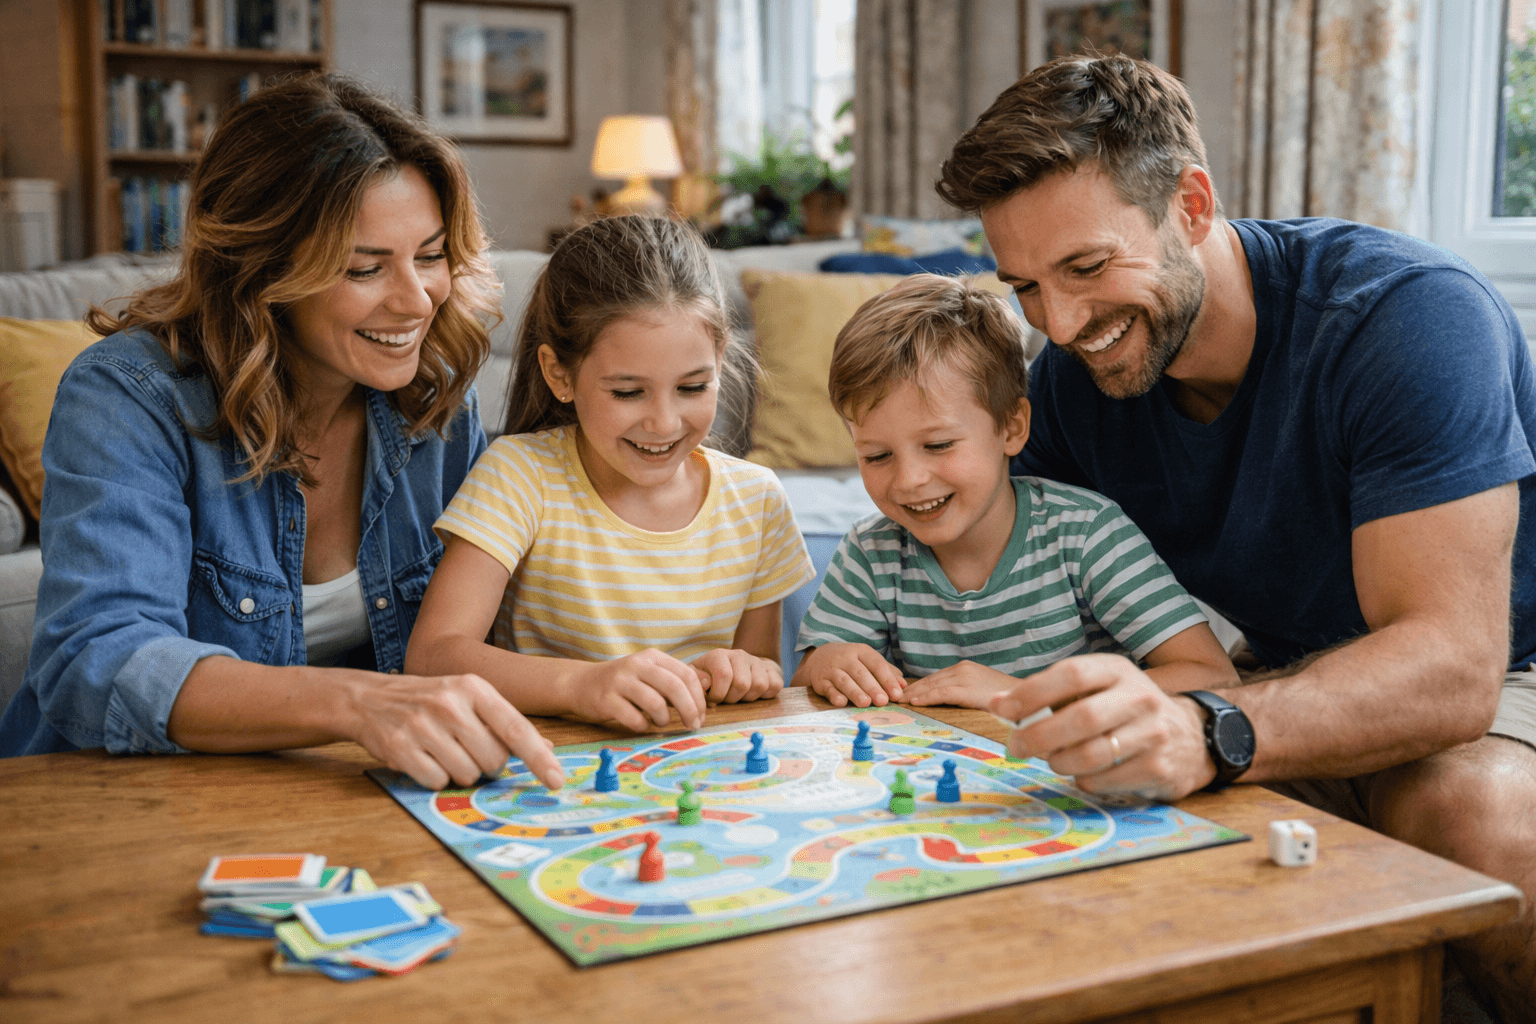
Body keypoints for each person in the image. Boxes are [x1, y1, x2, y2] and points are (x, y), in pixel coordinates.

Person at [938, 54, 1536, 1020]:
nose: (1064, 321)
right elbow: (999, 566)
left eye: (1088, 268)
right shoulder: (1071, 387)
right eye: (1027, 289)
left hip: (1507, 674)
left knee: (1466, 808)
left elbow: (1453, 667)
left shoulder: (1406, 317)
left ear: (1194, 204)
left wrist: (1210, 726)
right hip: (1293, 669)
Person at [0, 73, 565, 795]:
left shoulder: (436, 402)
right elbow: (96, 660)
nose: (416, 298)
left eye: (429, 256)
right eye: (365, 267)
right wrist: (360, 705)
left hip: (331, 795)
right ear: (263, 270)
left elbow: (507, 615)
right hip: (110, 801)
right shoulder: (128, 395)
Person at [404, 216, 815, 732]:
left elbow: (759, 679)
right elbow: (432, 656)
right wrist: (582, 686)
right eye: (627, 392)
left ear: (720, 360)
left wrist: (742, 672)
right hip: (553, 770)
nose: (664, 422)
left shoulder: (757, 500)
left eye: (692, 387)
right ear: (560, 375)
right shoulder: (519, 475)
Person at [791, 274, 1236, 734]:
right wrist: (828, 662)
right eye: (877, 456)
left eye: (939, 445)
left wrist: (1020, 699)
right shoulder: (869, 552)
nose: (908, 481)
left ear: (1012, 428)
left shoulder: (1087, 534)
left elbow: (1211, 675)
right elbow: (805, 685)